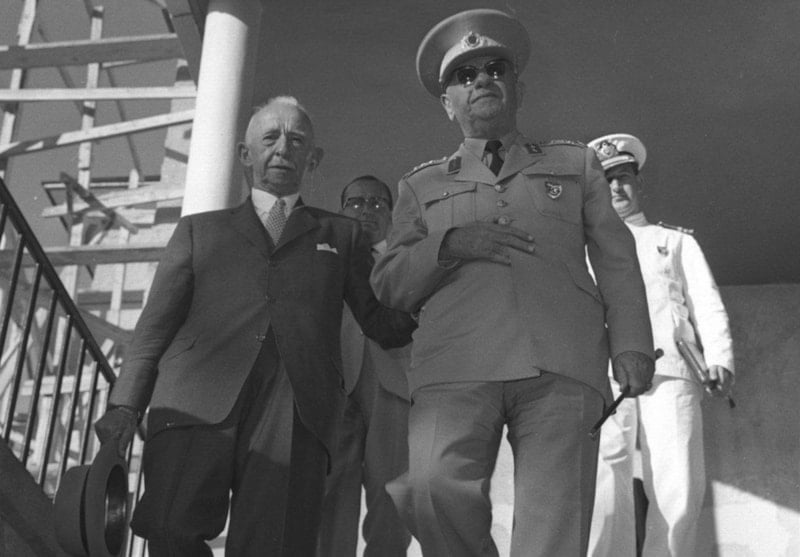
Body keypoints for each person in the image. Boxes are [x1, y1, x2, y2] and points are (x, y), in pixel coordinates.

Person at [370, 9, 656, 556]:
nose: (481, 79)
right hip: (455, 365)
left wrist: (632, 344)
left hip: (562, 360)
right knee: (428, 488)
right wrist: (449, 244)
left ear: (517, 88)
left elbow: (617, 259)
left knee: (554, 528)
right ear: (448, 102)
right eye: (465, 75)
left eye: (495, 68)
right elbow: (389, 283)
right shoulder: (420, 186)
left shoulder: (575, 164)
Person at [93, 96, 415, 557]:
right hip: (193, 401)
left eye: (297, 140)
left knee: (276, 547)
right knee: (169, 528)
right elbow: (152, 331)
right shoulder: (197, 230)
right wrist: (125, 405)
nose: (283, 148)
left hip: (296, 414)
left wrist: (444, 280)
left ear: (313, 159)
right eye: (270, 138)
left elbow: (382, 322)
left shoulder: (341, 235)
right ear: (246, 154)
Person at [587, 133, 735, 557]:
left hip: (670, 369)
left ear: (640, 183)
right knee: (604, 485)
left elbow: (706, 302)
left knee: (678, 486)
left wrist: (720, 358)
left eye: (624, 177)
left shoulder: (675, 241)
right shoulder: (585, 249)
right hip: (604, 374)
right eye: (607, 180)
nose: (617, 187)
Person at [317, 176, 413, 557]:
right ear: (341, 211)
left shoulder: (408, 262)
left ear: (392, 214)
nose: (366, 210)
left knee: (392, 500)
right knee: (330, 500)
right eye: (355, 202)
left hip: (392, 385)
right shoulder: (322, 259)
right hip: (334, 389)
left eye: (377, 203)